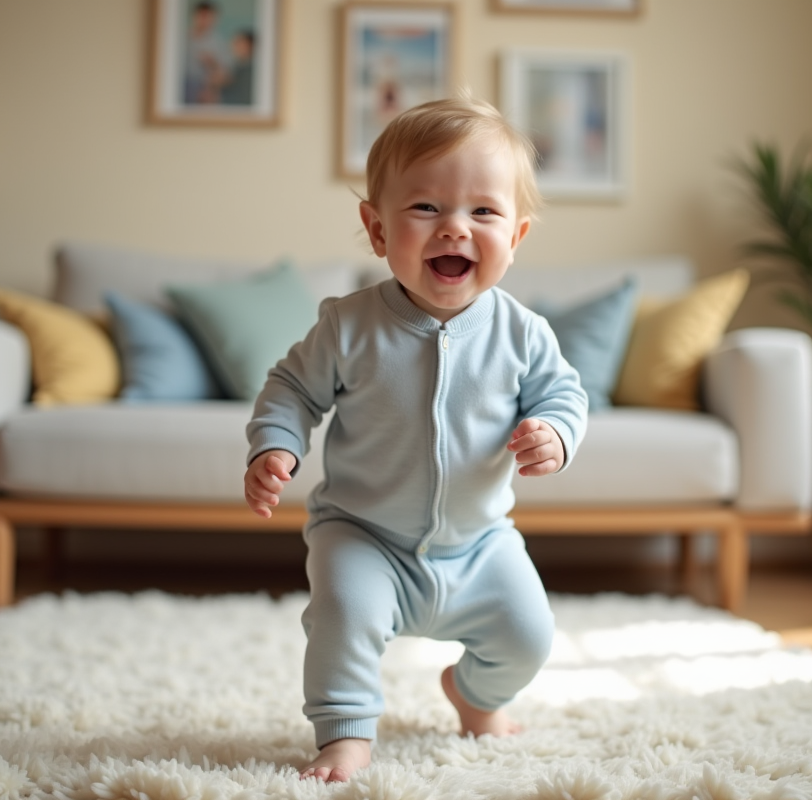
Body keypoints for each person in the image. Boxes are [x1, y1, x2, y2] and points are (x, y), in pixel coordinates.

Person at [243, 95, 588, 783]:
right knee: (342, 615)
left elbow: (563, 394)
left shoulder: (522, 332)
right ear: (376, 229)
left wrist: (553, 431)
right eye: (426, 208)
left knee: (529, 635)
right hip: (365, 535)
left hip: (481, 543)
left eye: (482, 212)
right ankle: (345, 735)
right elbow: (290, 389)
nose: (454, 229)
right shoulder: (349, 326)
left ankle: (475, 695)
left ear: (515, 237)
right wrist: (275, 445)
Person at [183, 1, 232, 105]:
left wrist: (213, 64)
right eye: (203, 16)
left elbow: (225, 75)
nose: (206, 21)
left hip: (206, 91)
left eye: (210, 17)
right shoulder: (181, 39)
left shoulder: (219, 43)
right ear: (195, 16)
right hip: (181, 87)